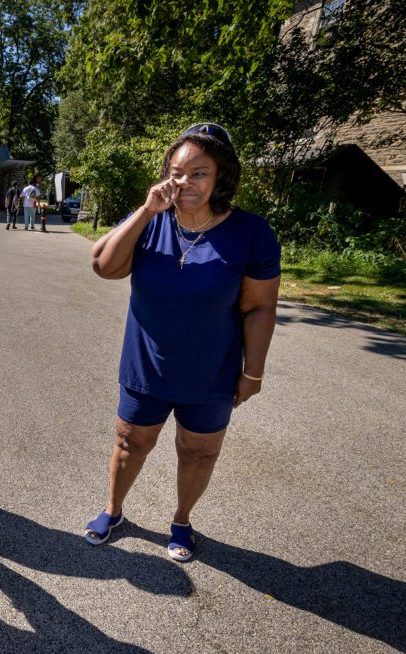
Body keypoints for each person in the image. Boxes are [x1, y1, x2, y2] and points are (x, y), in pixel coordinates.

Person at [84, 122, 280, 562]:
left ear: (221, 177)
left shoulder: (251, 233)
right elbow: (104, 265)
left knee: (199, 452)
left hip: (211, 373)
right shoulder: (150, 222)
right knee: (129, 443)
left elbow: (260, 307)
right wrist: (147, 211)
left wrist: (253, 371)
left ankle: (182, 520)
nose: (185, 182)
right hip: (145, 367)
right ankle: (114, 511)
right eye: (176, 171)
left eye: (199, 172)